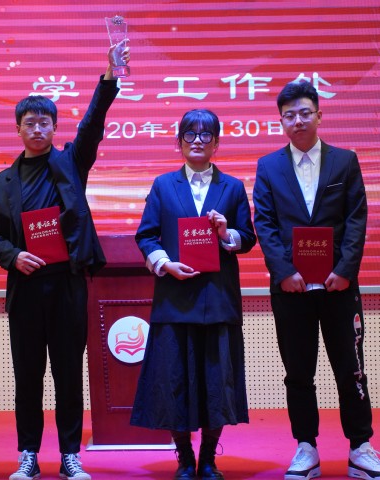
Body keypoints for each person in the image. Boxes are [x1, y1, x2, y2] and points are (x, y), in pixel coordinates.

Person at [0, 42, 130, 480]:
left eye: (44, 122)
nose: (37, 128)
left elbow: (93, 124)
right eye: (29, 123)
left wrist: (109, 75)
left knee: (67, 374)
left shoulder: (70, 164)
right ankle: (28, 454)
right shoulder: (2, 183)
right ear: (18, 129)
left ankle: (69, 455)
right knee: (27, 377)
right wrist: (13, 256)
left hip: (67, 285)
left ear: (53, 127)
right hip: (26, 287)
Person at [252, 80, 380, 480]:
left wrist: (345, 270)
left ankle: (360, 447)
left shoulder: (345, 161)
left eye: (304, 113)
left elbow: (356, 219)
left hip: (339, 287)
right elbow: (265, 223)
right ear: (281, 121)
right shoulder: (268, 166)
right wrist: (284, 272)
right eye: (289, 115)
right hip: (291, 289)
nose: (297, 121)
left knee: (351, 369)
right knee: (298, 372)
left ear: (319, 115)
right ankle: (306, 448)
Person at [130, 109, 256, 480]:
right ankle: (185, 458)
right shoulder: (163, 185)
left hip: (217, 300)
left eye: (205, 135)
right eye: (190, 134)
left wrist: (226, 233)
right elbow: (146, 235)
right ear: (179, 141)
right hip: (175, 298)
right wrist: (164, 263)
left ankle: (209, 460)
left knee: (217, 384)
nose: (197, 140)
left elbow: (248, 238)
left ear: (216, 143)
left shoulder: (232, 187)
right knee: (174, 382)